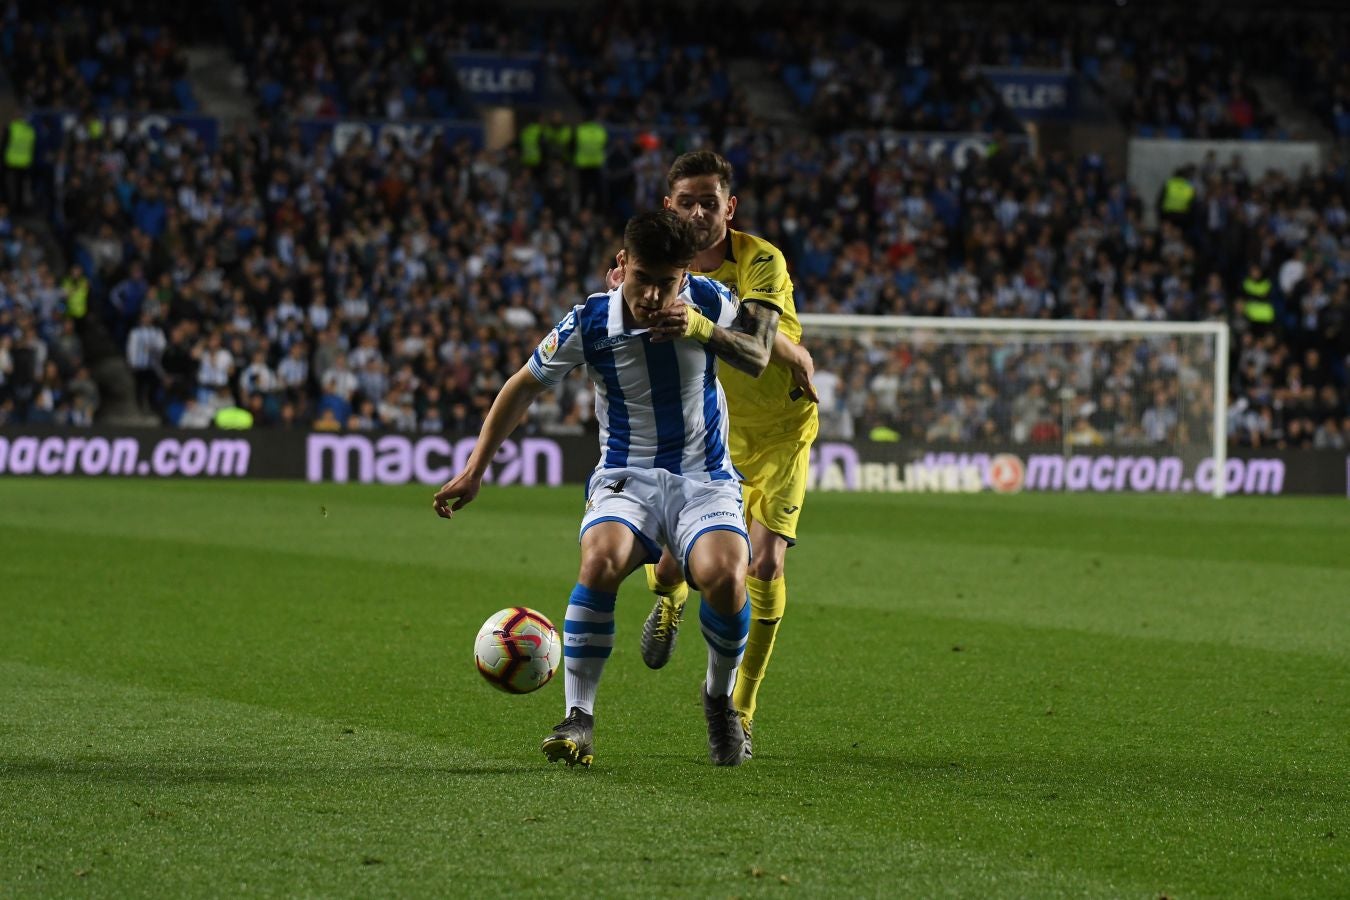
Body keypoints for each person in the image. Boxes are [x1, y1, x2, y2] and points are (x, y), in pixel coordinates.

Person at [433, 210, 780, 768]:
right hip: (626, 475)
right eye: (642, 278)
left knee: (725, 575)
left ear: (686, 276)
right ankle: (579, 717)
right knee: (600, 560)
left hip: (704, 476)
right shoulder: (590, 321)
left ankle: (719, 701)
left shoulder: (710, 302)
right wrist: (475, 469)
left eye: (667, 283)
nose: (652, 296)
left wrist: (710, 330)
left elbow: (759, 349)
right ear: (622, 264)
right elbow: (522, 387)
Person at [612, 151, 818, 758]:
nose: (699, 212)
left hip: (780, 431)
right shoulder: (654, 265)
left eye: (711, 202)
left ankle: (739, 710)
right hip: (709, 433)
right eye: (687, 202)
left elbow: (755, 346)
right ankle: (670, 599)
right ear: (668, 206)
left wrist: (781, 349)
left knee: (765, 565)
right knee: (672, 569)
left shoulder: (761, 261)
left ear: (731, 208)